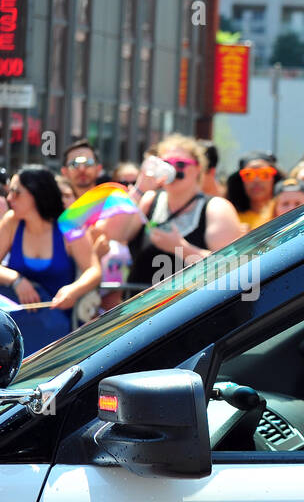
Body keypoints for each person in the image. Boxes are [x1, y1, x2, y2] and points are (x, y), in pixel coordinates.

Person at [109, 134, 242, 292]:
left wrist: (181, 248)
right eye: (166, 163)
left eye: (180, 164)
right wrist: (138, 190)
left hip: (191, 310)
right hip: (141, 310)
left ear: (198, 168)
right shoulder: (149, 200)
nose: (172, 169)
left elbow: (232, 267)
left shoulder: (216, 208)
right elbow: (113, 234)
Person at [0, 166, 102, 351]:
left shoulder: (69, 226)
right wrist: (16, 280)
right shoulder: (11, 221)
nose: (9, 198)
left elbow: (93, 270)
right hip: (14, 329)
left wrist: (73, 290)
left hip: (58, 330)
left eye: (16, 192)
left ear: (37, 194)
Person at [227, 152, 282, 230]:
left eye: (264, 174)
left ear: (274, 178)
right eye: (248, 175)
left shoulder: (285, 209)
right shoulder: (231, 216)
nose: (257, 180)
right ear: (240, 181)